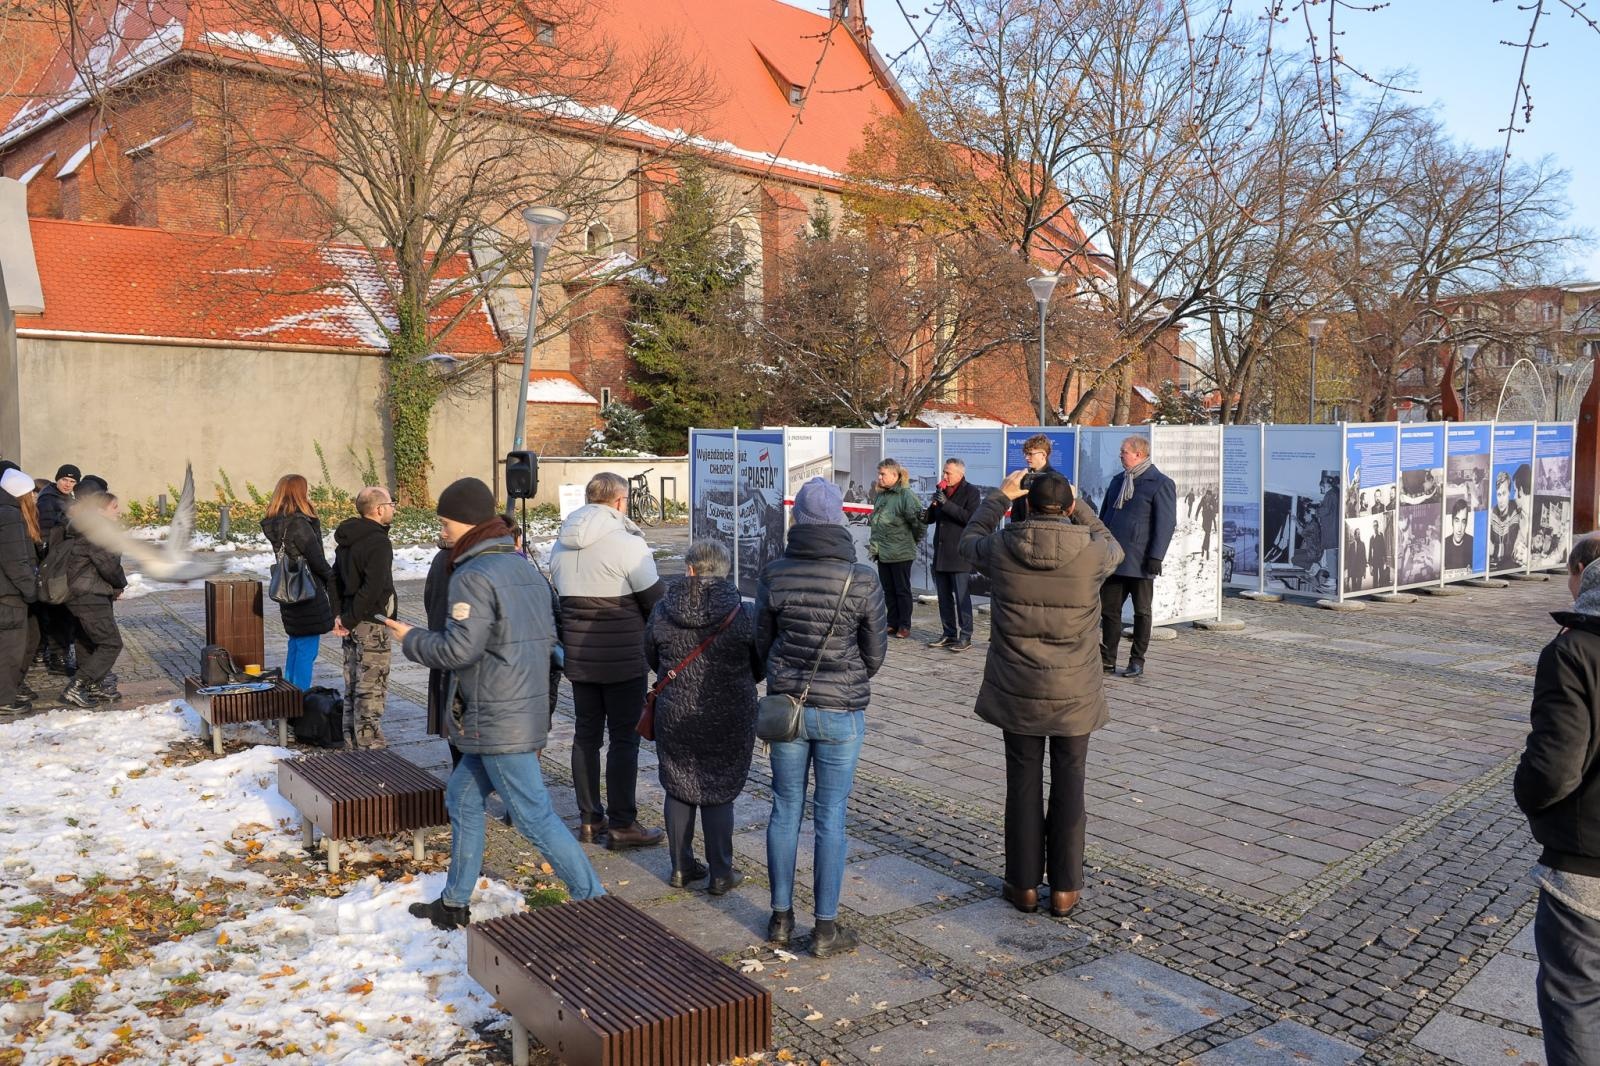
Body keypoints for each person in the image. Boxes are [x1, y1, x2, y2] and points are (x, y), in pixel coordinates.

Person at [386, 478, 603, 929]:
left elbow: (457, 651)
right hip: (519, 707)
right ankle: (453, 903)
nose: (440, 530)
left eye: (444, 522)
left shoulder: (472, 575)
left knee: (533, 815)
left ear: (464, 523)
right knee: (462, 796)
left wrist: (411, 639)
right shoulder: (521, 566)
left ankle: (595, 903)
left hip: (496, 718)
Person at [960, 468, 1122, 919]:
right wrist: (1080, 506)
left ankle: (1024, 884)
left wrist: (998, 498)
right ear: (1067, 507)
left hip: (1019, 686)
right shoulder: (1092, 553)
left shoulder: (1002, 546)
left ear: (1026, 505)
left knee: (1023, 783)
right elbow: (1115, 544)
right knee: (1071, 784)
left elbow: (967, 540)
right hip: (1075, 689)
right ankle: (1066, 889)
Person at [757, 477, 887, 958]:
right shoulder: (863, 577)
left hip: (787, 710)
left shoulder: (775, 573)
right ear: (838, 520)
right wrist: (848, 675)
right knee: (831, 816)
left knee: (784, 809)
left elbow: (762, 642)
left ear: (799, 521)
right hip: (841, 712)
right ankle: (826, 928)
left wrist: (785, 676)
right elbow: (875, 653)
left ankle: (780, 919)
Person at [1515, 534, 1600, 1066]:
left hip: (1587, 868)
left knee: (1576, 1001)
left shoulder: (1574, 651)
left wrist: (1530, 798)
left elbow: (1553, 769)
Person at [549, 472, 666, 850]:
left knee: (585, 737)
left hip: (580, 658)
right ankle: (622, 822)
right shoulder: (627, 544)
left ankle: (588, 818)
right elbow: (656, 603)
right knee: (623, 741)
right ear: (619, 501)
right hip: (623, 659)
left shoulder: (561, 544)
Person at [643, 540, 762, 894]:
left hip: (674, 710)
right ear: (725, 571)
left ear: (690, 569)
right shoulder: (744, 612)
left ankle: (680, 868)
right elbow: (758, 663)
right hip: (730, 712)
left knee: (678, 783)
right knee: (719, 787)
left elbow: (651, 654)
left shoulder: (663, 609)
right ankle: (721, 873)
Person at [1098, 436, 1175, 680]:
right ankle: (1107, 659)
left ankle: (1136, 660)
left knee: (1142, 612)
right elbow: (1105, 516)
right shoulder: (1118, 481)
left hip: (1141, 561)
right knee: (1109, 612)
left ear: (1138, 454)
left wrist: (1156, 556)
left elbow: (1166, 524)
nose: (1120, 455)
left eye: (1124, 452)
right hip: (1114, 558)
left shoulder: (1160, 483)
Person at [329, 486, 396, 748]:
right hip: (371, 624)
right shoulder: (378, 541)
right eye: (391, 504)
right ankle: (369, 745)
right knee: (371, 686)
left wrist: (340, 615)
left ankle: (351, 740)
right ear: (379, 510)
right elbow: (373, 588)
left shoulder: (348, 538)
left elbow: (333, 579)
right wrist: (348, 618)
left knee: (353, 684)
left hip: (351, 622)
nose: (393, 508)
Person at [260, 474, 335, 692]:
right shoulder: (299, 524)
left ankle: (288, 698)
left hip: (288, 590)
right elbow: (317, 561)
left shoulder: (278, 523)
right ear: (299, 493)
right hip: (307, 591)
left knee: (295, 645)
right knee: (306, 650)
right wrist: (334, 579)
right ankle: (298, 700)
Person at [60, 490, 126, 708]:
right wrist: (120, 583)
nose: (119, 511)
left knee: (87, 641)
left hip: (83, 592)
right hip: (89, 594)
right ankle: (78, 686)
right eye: (114, 507)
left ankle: (92, 685)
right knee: (111, 643)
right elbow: (108, 565)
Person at [924, 458, 982, 652]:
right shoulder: (941, 491)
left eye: (948, 473)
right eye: (943, 472)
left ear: (960, 474)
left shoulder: (971, 492)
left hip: (959, 554)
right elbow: (931, 520)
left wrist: (946, 504)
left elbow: (970, 518)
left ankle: (966, 636)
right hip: (941, 554)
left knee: (962, 598)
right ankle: (948, 633)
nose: (944, 476)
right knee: (944, 597)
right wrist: (930, 509)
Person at [867, 459, 924, 640]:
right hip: (882, 551)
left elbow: (919, 524)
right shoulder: (882, 495)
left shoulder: (906, 496)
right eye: (879, 474)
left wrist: (910, 541)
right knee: (888, 590)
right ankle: (892, 622)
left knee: (902, 590)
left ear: (894, 475)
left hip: (900, 552)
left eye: (883, 474)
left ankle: (904, 625)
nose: (879, 477)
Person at [0, 467, 41, 713]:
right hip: (9, 594)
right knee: (10, 648)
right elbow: (16, 560)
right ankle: (4, 700)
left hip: (6, 592)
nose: (34, 498)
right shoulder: (10, 515)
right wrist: (31, 591)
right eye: (31, 493)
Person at [34, 465, 77, 675]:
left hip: (62, 560)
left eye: (72, 482)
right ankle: (56, 658)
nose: (68, 484)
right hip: (54, 562)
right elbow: (46, 533)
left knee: (61, 612)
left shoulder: (68, 499)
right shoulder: (48, 498)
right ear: (57, 479)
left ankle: (56, 654)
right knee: (56, 610)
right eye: (65, 480)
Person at [1007, 434, 1059, 525]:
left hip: (1043, 532)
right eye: (1025, 453)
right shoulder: (1023, 477)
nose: (1026, 457)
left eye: (1030, 454)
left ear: (1043, 455)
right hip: (1022, 533)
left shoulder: (1055, 479)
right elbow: (1016, 511)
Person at [1445, 497, 1475, 572]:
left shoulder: (1473, 543)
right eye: (1457, 521)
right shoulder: (1444, 544)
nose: (1459, 528)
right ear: (1452, 521)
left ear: (1466, 523)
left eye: (1463, 521)